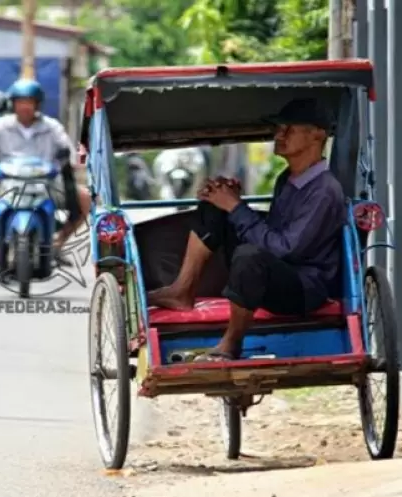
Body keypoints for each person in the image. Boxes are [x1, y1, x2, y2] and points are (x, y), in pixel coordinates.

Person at [147, 98, 345, 362]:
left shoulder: (325, 190)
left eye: (289, 129)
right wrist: (229, 201)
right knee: (215, 205)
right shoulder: (286, 179)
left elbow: (286, 250)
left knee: (249, 256)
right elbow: (270, 233)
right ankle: (182, 290)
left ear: (317, 135)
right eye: (278, 129)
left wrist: (237, 207)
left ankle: (231, 342)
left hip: (303, 288)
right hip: (271, 271)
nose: (279, 135)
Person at [0, 78, 92, 272]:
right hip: (5, 184)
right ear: (13, 104)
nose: (25, 107)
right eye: (20, 102)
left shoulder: (52, 127)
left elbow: (68, 151)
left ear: (37, 104)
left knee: (85, 198)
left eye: (29, 102)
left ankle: (57, 245)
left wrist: (69, 162)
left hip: (46, 185)